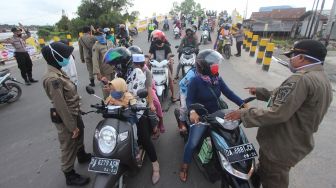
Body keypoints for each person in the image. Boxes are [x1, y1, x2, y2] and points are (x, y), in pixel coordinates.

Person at [224, 39, 333, 188]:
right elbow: (290, 101)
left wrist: (244, 114)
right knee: (265, 172)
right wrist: (261, 92)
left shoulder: (301, 79)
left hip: (280, 147)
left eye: (292, 56)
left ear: (301, 57)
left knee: (274, 179)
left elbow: (278, 113)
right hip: (296, 142)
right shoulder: (322, 79)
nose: (290, 60)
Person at [179, 49, 246, 182]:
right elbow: (189, 100)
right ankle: (184, 166)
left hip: (218, 114)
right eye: (214, 64)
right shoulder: (195, 81)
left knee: (234, 136)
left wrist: (243, 104)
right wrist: (192, 112)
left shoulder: (217, 79)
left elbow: (229, 93)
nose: (217, 66)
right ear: (205, 67)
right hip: (201, 116)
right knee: (192, 143)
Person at [103, 47, 161, 184]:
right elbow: (117, 90)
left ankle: (156, 165)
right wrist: (110, 89)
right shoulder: (118, 75)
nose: (113, 68)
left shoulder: (138, 73)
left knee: (144, 138)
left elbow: (133, 94)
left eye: (114, 65)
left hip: (137, 110)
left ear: (122, 63)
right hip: (121, 109)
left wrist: (119, 95)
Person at [41, 42, 91, 186]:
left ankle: (81, 155)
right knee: (68, 145)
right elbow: (60, 105)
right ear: (54, 57)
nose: (68, 58)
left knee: (80, 133)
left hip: (74, 112)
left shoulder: (59, 71)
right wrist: (71, 126)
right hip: (66, 117)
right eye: (65, 56)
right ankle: (69, 175)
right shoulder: (53, 79)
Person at [128, 46, 165, 133]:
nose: (135, 66)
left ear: (141, 63)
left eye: (137, 64)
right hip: (133, 91)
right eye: (134, 63)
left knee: (156, 105)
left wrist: (151, 103)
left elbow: (148, 87)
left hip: (147, 89)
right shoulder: (129, 69)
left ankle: (160, 123)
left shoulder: (146, 71)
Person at [105, 77, 140, 160]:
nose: (112, 92)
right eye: (111, 90)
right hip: (115, 119)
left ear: (121, 88)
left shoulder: (127, 95)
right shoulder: (111, 96)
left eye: (114, 90)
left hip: (128, 120)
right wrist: (103, 106)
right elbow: (106, 102)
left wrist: (134, 105)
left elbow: (133, 101)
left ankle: (136, 152)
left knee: (133, 137)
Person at [148, 30, 178, 102]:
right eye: (155, 39)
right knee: (148, 78)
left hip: (164, 65)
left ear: (162, 39)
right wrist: (148, 57)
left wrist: (170, 58)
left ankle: (173, 95)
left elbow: (169, 55)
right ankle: (148, 94)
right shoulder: (153, 46)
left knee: (170, 78)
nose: (156, 40)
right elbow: (149, 54)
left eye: (157, 39)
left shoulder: (166, 46)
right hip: (155, 64)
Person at [92, 28, 115, 98]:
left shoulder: (110, 42)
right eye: (97, 35)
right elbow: (95, 60)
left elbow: (115, 53)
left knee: (115, 87)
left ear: (104, 34)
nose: (99, 36)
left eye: (100, 34)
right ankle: (107, 104)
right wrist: (98, 73)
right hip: (104, 72)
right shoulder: (96, 46)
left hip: (114, 69)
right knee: (106, 90)